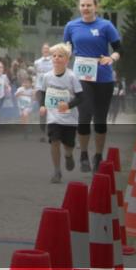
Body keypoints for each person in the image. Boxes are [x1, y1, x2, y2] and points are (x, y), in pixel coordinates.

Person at [63, 0, 122, 173]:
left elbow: (119, 49)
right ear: (79, 7)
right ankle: (83, 156)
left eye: (89, 5)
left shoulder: (106, 25)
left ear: (96, 6)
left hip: (103, 77)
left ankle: (98, 155)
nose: (86, 8)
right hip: (82, 78)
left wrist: (111, 58)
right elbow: (67, 48)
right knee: (84, 116)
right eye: (83, 5)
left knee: (100, 120)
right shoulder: (71, 26)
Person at [38, 42, 84, 183]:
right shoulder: (46, 76)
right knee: (55, 141)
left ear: (67, 60)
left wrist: (68, 105)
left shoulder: (72, 77)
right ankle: (57, 171)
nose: (57, 58)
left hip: (69, 118)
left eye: (60, 56)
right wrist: (42, 106)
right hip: (53, 117)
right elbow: (43, 93)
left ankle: (68, 155)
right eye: (54, 56)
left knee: (68, 145)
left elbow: (81, 97)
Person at [33, 42, 52, 143]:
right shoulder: (37, 62)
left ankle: (50, 132)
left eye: (47, 49)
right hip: (40, 88)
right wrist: (35, 89)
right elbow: (36, 76)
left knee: (51, 111)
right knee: (42, 111)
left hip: (50, 89)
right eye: (44, 49)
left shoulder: (53, 61)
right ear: (42, 50)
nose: (46, 50)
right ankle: (42, 133)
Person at [14, 73, 35, 139]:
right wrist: (20, 93)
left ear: (31, 83)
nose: (26, 84)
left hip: (28, 106)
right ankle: (25, 128)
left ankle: (26, 130)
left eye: (28, 83)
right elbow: (15, 95)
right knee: (23, 118)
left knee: (25, 114)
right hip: (21, 106)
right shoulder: (20, 89)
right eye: (25, 82)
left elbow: (33, 98)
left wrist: (30, 95)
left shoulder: (32, 90)